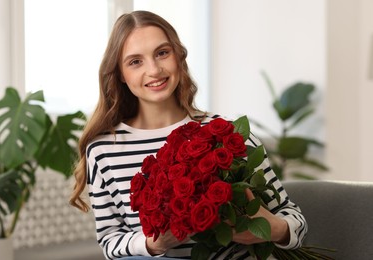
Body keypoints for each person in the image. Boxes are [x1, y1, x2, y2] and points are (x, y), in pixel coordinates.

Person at [70, 10, 307, 260]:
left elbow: (295, 222)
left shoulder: (228, 135)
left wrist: (272, 229)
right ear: (120, 74)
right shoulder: (104, 150)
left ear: (178, 56)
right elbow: (110, 241)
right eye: (135, 61)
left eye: (162, 53)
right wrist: (152, 244)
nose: (154, 69)